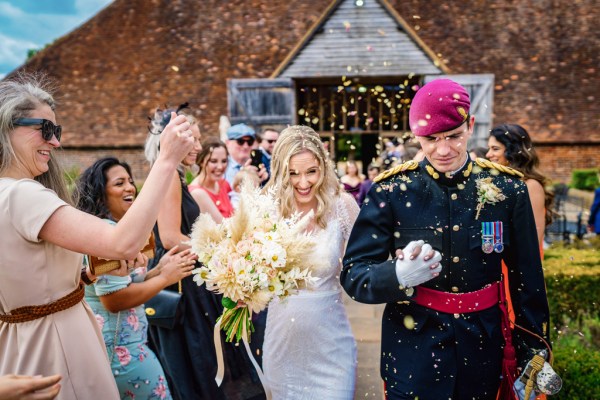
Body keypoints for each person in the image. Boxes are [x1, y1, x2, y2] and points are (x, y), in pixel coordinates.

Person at [341, 78, 551, 400]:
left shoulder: (509, 189)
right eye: (431, 138)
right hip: (413, 348)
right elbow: (354, 273)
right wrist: (396, 276)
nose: (443, 150)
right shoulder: (392, 191)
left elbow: (527, 279)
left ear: (470, 125)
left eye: (454, 136)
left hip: (483, 347)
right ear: (415, 135)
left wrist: (533, 348)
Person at [0, 73, 192, 400]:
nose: (55, 142)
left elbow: (32, 278)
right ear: (8, 128)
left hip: (21, 343)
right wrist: (166, 159)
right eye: (46, 129)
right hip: (56, 340)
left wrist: (93, 271)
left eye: (56, 131)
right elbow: (124, 242)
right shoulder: (21, 195)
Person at [145, 107, 259, 400]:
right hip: (179, 280)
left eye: (197, 140)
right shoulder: (169, 175)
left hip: (188, 273)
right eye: (192, 140)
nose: (198, 146)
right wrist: (217, 256)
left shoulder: (175, 175)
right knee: (198, 357)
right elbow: (170, 237)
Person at [75, 157, 196, 399]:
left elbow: (122, 285)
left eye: (130, 181)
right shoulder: (107, 234)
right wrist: (164, 280)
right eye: (119, 183)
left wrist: (158, 271)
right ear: (100, 194)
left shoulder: (112, 229)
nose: (130, 187)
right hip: (121, 352)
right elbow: (113, 299)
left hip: (123, 346)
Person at [262, 125, 359, 399]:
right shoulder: (266, 209)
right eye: (293, 173)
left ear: (323, 168)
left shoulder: (342, 206)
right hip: (282, 347)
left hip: (331, 344)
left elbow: (367, 265)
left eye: (311, 172)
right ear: (281, 172)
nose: (303, 182)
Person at [486, 124, 554, 246]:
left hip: (515, 262)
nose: (488, 154)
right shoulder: (497, 183)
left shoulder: (531, 186)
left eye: (495, 149)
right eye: (489, 148)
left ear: (513, 152)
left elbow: (533, 240)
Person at [189, 137, 233, 221]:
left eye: (224, 161)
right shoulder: (197, 193)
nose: (220, 167)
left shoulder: (224, 184)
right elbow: (223, 227)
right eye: (213, 161)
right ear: (201, 161)